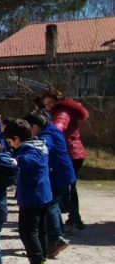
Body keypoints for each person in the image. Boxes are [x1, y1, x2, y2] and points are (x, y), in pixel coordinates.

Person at [2, 119, 52, 264]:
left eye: (10, 141)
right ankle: (42, 257)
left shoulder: (28, 149)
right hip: (44, 194)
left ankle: (37, 263)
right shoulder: (40, 143)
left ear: (16, 138)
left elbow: (31, 159)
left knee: (27, 231)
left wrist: (17, 161)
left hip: (32, 196)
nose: (10, 145)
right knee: (40, 230)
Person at [23, 112, 74, 258]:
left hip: (58, 176)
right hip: (61, 174)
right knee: (54, 205)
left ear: (34, 126)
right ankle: (56, 237)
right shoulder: (50, 129)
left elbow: (44, 145)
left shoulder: (47, 136)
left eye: (28, 129)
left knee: (50, 205)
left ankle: (56, 238)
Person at [42, 92, 89, 231]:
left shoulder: (62, 111)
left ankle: (69, 221)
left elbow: (59, 127)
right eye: (46, 104)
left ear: (58, 100)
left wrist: (46, 138)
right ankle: (74, 219)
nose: (48, 106)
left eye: (50, 102)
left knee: (65, 187)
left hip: (70, 153)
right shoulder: (62, 110)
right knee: (69, 187)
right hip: (73, 151)